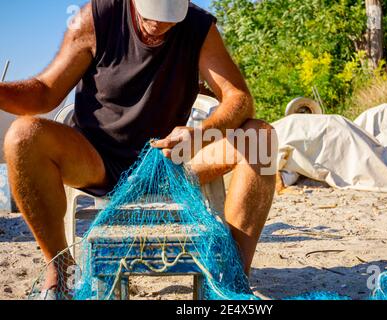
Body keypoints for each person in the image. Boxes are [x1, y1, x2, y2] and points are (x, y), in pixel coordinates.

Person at [0, 0, 276, 297]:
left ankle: (232, 275)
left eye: (169, 20)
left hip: (172, 159)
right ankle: (60, 267)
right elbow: (45, 92)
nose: (159, 26)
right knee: (22, 135)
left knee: (260, 137)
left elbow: (239, 98)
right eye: (151, 17)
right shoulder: (96, 18)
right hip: (98, 160)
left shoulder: (198, 26)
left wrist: (201, 134)